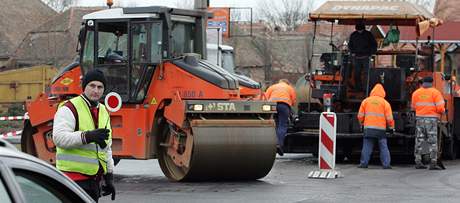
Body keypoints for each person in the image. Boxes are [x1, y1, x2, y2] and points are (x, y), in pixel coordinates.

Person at [53, 69, 116, 202]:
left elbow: (106, 146)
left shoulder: (104, 111)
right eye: (92, 86)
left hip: (94, 181)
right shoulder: (69, 108)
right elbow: (59, 138)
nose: (96, 90)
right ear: (84, 87)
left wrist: (109, 176)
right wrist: (87, 136)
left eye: (100, 87)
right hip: (72, 180)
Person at [411, 76, 445, 170]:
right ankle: (433, 162)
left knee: (419, 140)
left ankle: (418, 161)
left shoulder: (416, 93)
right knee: (432, 141)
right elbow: (440, 108)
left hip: (419, 119)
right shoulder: (435, 92)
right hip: (431, 120)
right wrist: (443, 111)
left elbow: (413, 107)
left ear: (422, 83)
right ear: (432, 83)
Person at [357, 83, 394, 169]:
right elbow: (389, 118)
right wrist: (391, 127)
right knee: (383, 147)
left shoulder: (365, 101)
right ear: (383, 92)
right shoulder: (385, 103)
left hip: (368, 128)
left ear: (372, 91)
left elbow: (360, 116)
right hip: (381, 130)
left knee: (367, 146)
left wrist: (361, 123)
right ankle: (386, 164)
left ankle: (363, 164)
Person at [265, 79, 297, 156]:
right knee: (282, 125)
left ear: (279, 82)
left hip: (272, 106)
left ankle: (270, 144)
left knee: (274, 124)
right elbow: (293, 101)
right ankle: (279, 144)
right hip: (284, 106)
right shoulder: (289, 88)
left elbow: (266, 97)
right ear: (287, 83)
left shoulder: (272, 87)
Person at [348, 21, 377, 92]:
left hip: (366, 57)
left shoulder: (368, 34)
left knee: (367, 74)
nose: (359, 31)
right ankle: (359, 88)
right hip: (357, 57)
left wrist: (371, 53)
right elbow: (350, 45)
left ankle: (366, 89)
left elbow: (374, 45)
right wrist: (352, 52)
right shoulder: (353, 35)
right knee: (356, 74)